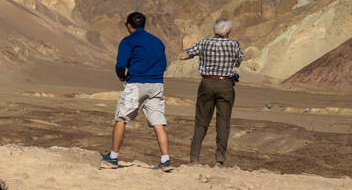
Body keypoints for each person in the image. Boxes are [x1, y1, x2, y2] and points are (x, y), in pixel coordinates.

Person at [101, 11, 172, 172]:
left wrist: (122, 76)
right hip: (157, 84)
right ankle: (165, 159)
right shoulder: (157, 41)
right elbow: (164, 63)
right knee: (158, 122)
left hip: (136, 83)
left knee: (121, 118)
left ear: (128, 25)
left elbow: (121, 64)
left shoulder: (128, 41)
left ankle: (113, 157)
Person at [180, 17, 244, 166]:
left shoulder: (204, 42)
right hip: (226, 84)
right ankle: (219, 160)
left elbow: (184, 55)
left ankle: (194, 159)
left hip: (207, 83)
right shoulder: (234, 44)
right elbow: (238, 61)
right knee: (223, 122)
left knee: (201, 122)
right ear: (228, 31)